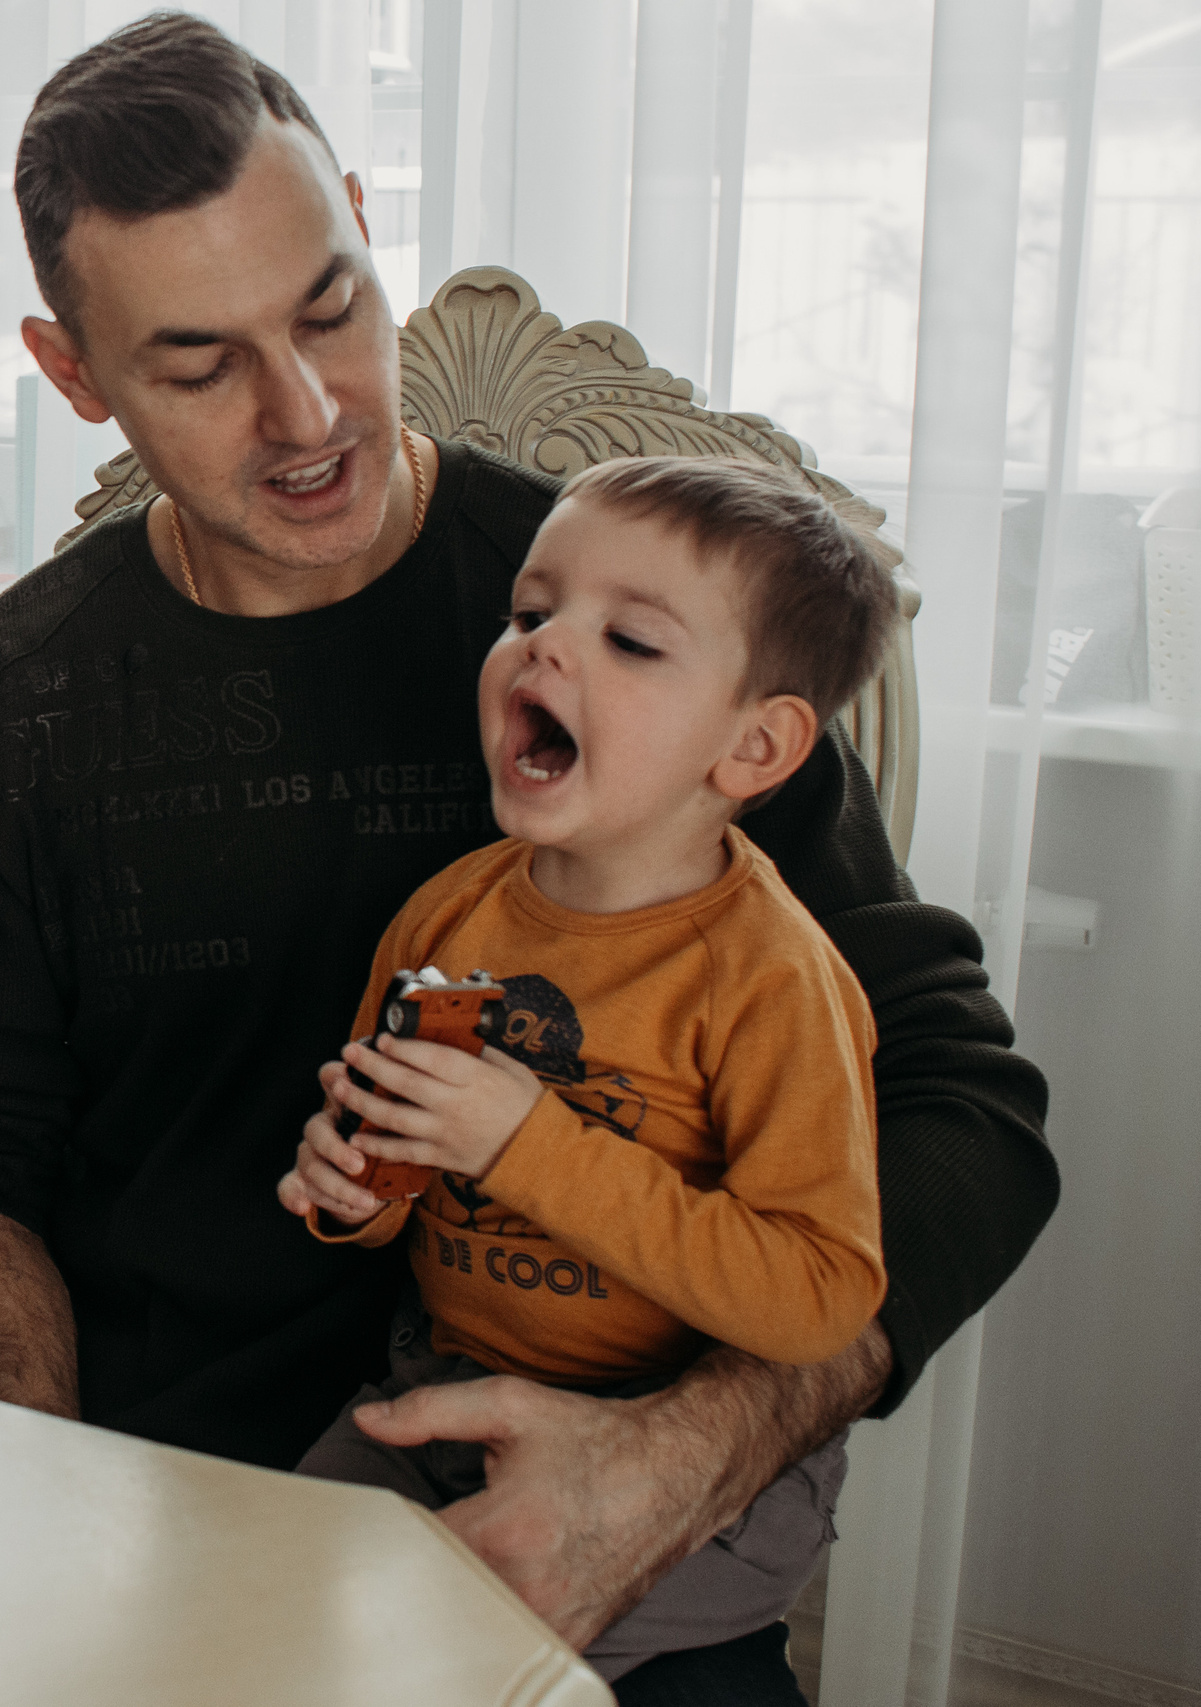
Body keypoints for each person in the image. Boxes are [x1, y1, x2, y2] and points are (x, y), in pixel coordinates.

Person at [0, 15, 1055, 1700]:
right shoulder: (19, 690)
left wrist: (683, 1457)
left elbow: (963, 1102)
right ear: (74, 375)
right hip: (180, 1492)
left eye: (331, 308)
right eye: (200, 366)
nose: (306, 414)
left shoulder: (636, 635)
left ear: (367, 224)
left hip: (619, 1495)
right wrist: (36, 1460)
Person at [282, 456, 898, 1681]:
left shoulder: (773, 979)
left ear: (755, 745)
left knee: (472, 1667)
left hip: (674, 1447)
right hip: (437, 1390)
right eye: (529, 612)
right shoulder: (446, 915)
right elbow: (382, 1161)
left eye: (630, 640)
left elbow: (820, 1297)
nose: (544, 646)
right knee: (269, 1607)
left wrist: (526, 1143)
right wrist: (348, 1189)